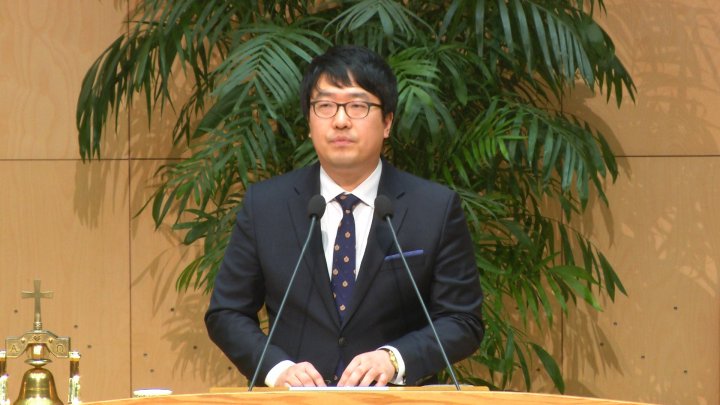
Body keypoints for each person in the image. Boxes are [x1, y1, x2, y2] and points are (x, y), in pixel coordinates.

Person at [205, 45, 484, 388]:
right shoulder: (265, 206)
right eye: (325, 106)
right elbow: (227, 313)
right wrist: (278, 369)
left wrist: (394, 359)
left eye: (357, 105)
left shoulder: (434, 208)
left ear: (387, 122)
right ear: (309, 123)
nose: (340, 120)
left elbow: (462, 320)